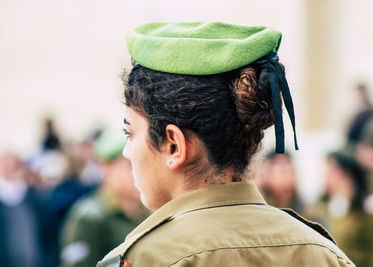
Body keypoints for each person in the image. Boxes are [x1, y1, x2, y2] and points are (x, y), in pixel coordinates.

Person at [97, 22, 354, 266]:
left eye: (130, 133)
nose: (127, 151)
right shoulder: (325, 254)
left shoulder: (145, 259)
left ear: (174, 145)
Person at [60, 130, 148, 267]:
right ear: (106, 168)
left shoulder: (145, 211)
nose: (138, 171)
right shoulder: (89, 218)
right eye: (129, 165)